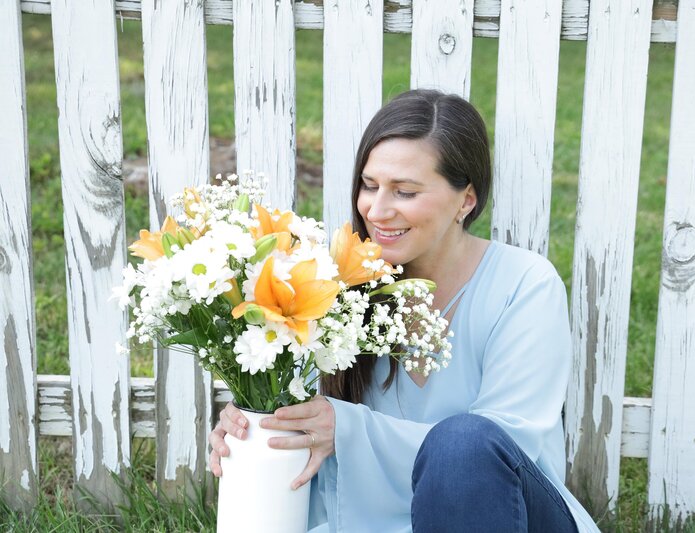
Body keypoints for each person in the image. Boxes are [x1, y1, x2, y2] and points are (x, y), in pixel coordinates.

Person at [208, 89, 599, 532]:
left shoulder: (524, 284)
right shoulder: (334, 286)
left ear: (466, 200)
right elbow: (301, 418)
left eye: (405, 191)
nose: (377, 210)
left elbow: (509, 446)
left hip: (511, 517)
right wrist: (254, 424)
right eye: (369, 186)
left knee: (463, 446)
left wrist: (349, 430)